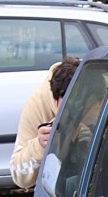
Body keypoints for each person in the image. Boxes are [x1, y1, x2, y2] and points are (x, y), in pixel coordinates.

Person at [9, 56, 81, 190]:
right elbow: (18, 175)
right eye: (70, 105)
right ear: (56, 99)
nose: (78, 111)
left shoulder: (102, 94)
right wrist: (39, 145)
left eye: (83, 103)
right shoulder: (37, 105)